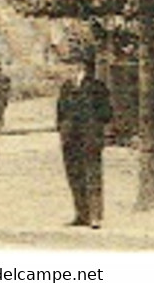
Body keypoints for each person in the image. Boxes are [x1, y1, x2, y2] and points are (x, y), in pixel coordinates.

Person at [56, 48, 111, 229]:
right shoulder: (66, 87)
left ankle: (95, 216)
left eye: (70, 65)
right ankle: (81, 214)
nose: (66, 69)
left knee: (92, 176)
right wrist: (63, 131)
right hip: (70, 140)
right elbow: (60, 112)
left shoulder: (96, 87)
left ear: (80, 66)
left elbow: (106, 113)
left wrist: (94, 129)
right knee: (75, 176)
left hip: (89, 139)